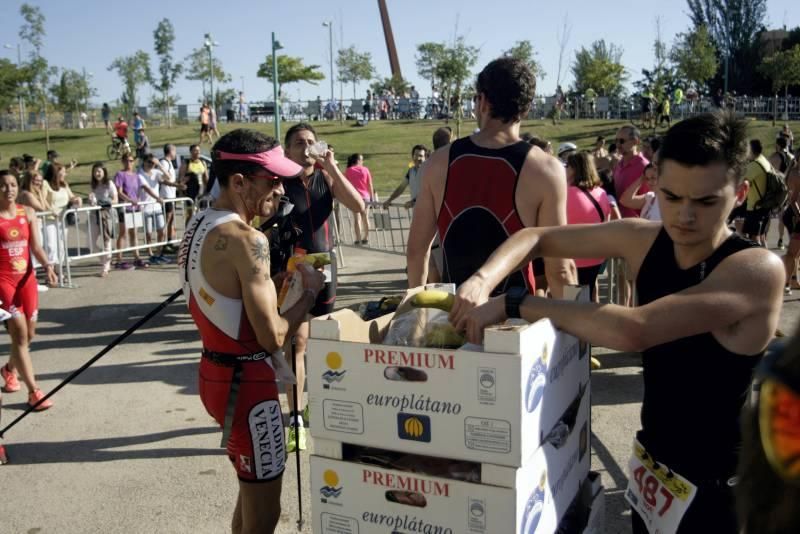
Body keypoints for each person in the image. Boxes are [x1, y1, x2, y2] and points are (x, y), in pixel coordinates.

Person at [452, 111, 784, 533]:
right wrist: (482, 280)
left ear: (738, 194)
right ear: (653, 184)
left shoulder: (757, 268)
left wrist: (515, 303)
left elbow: (636, 329)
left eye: (705, 201)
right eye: (671, 196)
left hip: (718, 486)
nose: (684, 216)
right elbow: (536, 236)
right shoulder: (644, 240)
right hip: (654, 465)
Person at [177, 128, 325, 533]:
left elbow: (226, 297)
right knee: (265, 513)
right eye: (272, 179)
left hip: (217, 374)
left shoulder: (200, 221)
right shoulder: (247, 238)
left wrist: (279, 283)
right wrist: (309, 294)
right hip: (248, 384)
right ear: (239, 182)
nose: (281, 188)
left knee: (249, 494)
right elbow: (273, 337)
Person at [406, 56, 575, 300]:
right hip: (514, 321)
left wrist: (416, 313)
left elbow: (416, 250)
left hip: (457, 316)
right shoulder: (546, 170)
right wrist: (570, 329)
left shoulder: (439, 162)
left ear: (482, 101)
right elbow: (559, 267)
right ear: (527, 107)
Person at [282, 122, 364, 451]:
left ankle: (316, 402)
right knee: (297, 343)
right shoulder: (279, 182)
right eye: (299, 143)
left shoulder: (325, 177)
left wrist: (331, 166)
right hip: (293, 269)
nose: (306, 148)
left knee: (320, 342)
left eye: (311, 142)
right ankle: (295, 418)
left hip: (325, 266)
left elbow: (358, 205)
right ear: (286, 150)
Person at [0, 170, 58, 415]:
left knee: (29, 335)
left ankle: (9, 369)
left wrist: (48, 266)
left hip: (27, 280)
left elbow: (35, 246)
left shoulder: (28, 213)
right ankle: (34, 392)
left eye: (12, 184)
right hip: (4, 282)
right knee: (20, 335)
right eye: (3, 185)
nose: (9, 189)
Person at [565, 152, 611, 301]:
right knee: (591, 291)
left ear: (574, 169)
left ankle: (579, 324)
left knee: (575, 301)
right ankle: (594, 322)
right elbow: (606, 222)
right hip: (597, 255)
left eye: (567, 166)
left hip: (575, 256)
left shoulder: (567, 193)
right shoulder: (601, 193)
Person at [114, 154, 159, 269]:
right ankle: (119, 259)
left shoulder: (136, 175)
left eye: (131, 161)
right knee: (123, 233)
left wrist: (138, 200)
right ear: (123, 162)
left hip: (135, 208)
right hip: (125, 207)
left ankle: (137, 257)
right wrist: (130, 200)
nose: (129, 163)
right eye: (126, 161)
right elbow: (119, 192)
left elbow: (140, 189)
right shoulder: (120, 174)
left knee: (134, 233)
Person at [614, 126, 650, 218]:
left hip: (636, 226)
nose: (618, 145)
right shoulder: (619, 164)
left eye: (622, 141)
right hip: (618, 223)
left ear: (636, 141)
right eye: (616, 141)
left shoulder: (644, 167)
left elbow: (649, 201)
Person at [137, 155, 167, 265]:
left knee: (162, 231)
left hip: (157, 207)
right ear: (144, 162)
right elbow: (146, 188)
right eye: (149, 162)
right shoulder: (139, 173)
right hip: (146, 207)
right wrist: (157, 198)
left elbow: (168, 177)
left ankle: (158, 253)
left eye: (152, 163)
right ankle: (150, 254)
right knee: (148, 233)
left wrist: (159, 165)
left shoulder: (155, 171)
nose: (151, 164)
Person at [89, 162, 118, 277]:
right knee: (91, 243)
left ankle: (105, 267)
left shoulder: (109, 184)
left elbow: (115, 199)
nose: (97, 173)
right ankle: (104, 259)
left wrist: (106, 202)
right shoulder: (93, 185)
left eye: (99, 171)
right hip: (94, 215)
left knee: (107, 241)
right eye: (95, 171)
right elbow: (92, 200)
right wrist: (92, 200)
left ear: (104, 172)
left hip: (107, 214)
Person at [742, 139, 772, 247]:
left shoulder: (754, 165)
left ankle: (760, 261)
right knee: (762, 237)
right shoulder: (763, 160)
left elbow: (741, 181)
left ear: (750, 150)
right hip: (765, 205)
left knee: (755, 239)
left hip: (755, 207)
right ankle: (767, 262)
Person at [382, 145, 428, 209]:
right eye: (416, 155)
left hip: (429, 211)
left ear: (425, 157)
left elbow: (428, 191)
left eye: (421, 156)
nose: (418, 158)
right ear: (412, 156)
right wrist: (389, 200)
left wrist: (413, 201)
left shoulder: (429, 171)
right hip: (417, 212)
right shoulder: (411, 171)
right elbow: (401, 187)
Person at [344, 154, 375, 245]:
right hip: (365, 196)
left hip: (355, 197)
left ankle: (358, 238)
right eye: (362, 160)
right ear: (358, 160)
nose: (362, 162)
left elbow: (346, 185)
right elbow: (370, 185)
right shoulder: (365, 169)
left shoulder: (349, 170)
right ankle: (366, 237)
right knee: (365, 217)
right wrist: (372, 198)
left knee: (357, 219)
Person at [179, 144, 209, 222]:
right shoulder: (186, 162)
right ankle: (188, 232)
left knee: (202, 214)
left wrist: (208, 190)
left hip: (201, 192)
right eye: (195, 150)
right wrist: (182, 184)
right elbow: (181, 178)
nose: (197, 152)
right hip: (190, 192)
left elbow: (206, 177)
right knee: (191, 214)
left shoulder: (203, 162)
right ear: (191, 152)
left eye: (198, 150)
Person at [159, 144, 179, 252]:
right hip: (166, 196)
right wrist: (176, 185)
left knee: (171, 220)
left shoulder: (170, 163)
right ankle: (163, 244)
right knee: (166, 221)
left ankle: (169, 242)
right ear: (170, 151)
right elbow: (163, 179)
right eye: (174, 151)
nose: (175, 154)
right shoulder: (164, 163)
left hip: (172, 196)